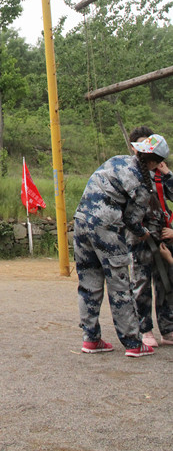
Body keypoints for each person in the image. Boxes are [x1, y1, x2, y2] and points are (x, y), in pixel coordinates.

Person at [74, 133, 170, 357]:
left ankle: (91, 338)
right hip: (106, 227)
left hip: (81, 222)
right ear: (156, 162)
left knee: (88, 282)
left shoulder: (116, 160)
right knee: (119, 285)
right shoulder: (142, 184)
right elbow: (133, 221)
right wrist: (145, 234)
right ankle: (133, 343)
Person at [128, 126, 173, 347]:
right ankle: (145, 329)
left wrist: (168, 174)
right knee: (142, 282)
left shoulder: (161, 173)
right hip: (141, 237)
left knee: (166, 282)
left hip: (163, 235)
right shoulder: (130, 172)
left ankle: (168, 328)